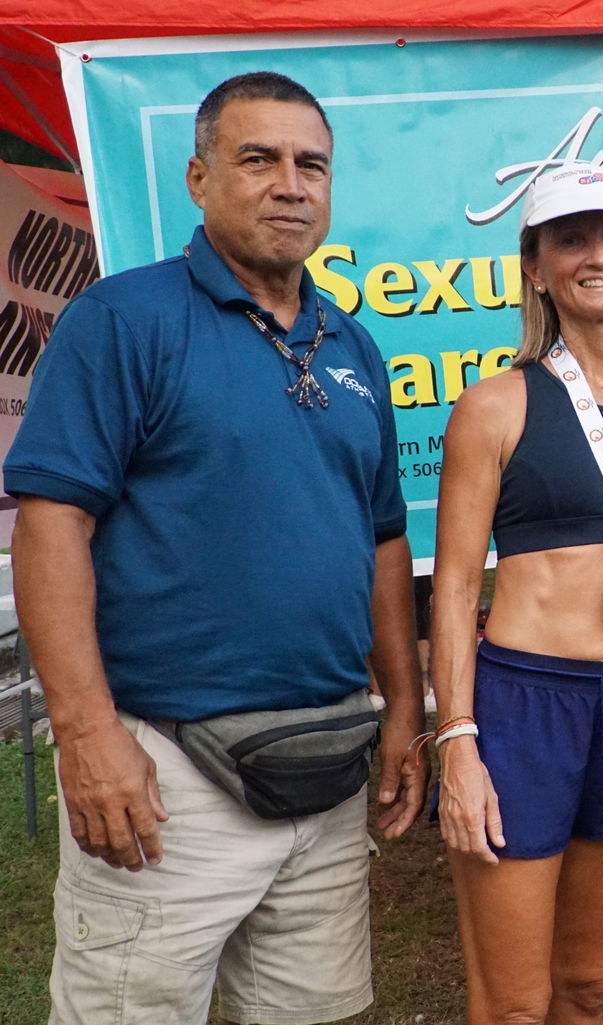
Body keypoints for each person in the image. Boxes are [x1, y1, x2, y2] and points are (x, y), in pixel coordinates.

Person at [5, 71, 426, 1025]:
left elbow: (384, 541)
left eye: (310, 163)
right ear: (198, 178)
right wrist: (86, 735)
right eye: (259, 159)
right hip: (164, 779)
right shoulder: (123, 321)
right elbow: (50, 525)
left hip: (324, 773)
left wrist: (403, 706)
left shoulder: (352, 346)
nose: (290, 183)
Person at [430, 161, 603, 1024]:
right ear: (537, 265)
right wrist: (458, 742)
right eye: (570, 239)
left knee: (589, 989)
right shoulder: (495, 406)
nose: (596, 255)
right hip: (522, 709)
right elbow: (452, 589)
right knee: (513, 1003)